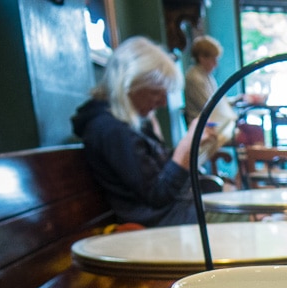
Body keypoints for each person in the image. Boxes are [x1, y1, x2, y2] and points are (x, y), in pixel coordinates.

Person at [71, 36, 214, 228]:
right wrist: (186, 147)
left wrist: (193, 148)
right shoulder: (110, 130)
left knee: (244, 214)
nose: (163, 103)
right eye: (156, 92)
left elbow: (161, 178)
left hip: (174, 216)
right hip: (158, 225)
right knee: (246, 221)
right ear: (129, 85)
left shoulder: (125, 125)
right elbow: (158, 195)